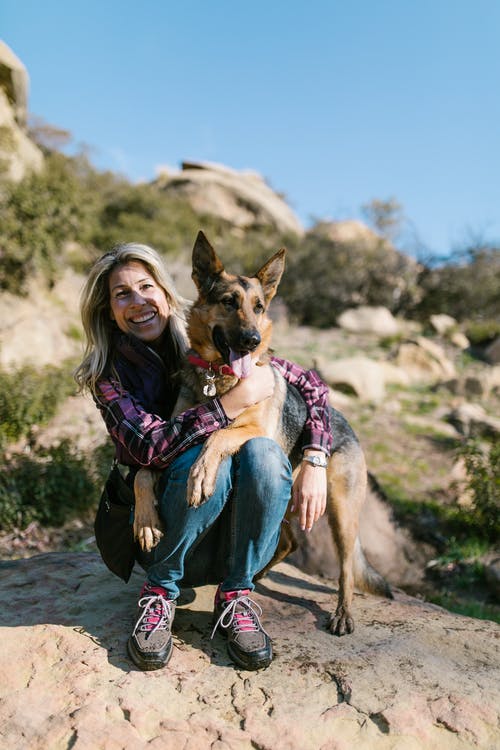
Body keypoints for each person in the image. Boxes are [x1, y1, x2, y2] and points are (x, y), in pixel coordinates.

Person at [75, 241, 332, 672]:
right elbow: (147, 449)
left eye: (146, 287)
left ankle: (236, 595)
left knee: (266, 454)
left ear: (166, 292)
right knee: (209, 453)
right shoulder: (109, 375)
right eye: (123, 294)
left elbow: (314, 387)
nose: (139, 302)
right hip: (170, 535)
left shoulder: (211, 347)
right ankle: (158, 593)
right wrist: (228, 410)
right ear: (108, 309)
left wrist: (317, 457)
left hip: (229, 540)